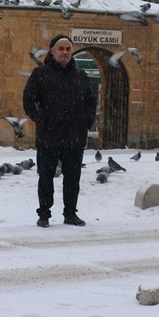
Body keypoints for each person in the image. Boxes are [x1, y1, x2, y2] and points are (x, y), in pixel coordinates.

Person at [22, 33, 97, 228]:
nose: (65, 52)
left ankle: (70, 213)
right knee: (46, 177)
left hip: (75, 137)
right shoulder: (40, 74)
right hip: (49, 136)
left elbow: (91, 101)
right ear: (53, 52)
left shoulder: (81, 76)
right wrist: (41, 119)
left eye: (68, 49)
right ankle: (44, 214)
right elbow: (28, 101)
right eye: (61, 49)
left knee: (73, 179)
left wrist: (86, 121)